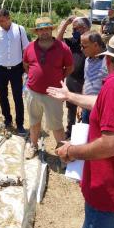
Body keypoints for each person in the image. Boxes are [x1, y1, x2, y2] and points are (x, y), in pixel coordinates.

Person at [47, 35, 114, 228]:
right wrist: (70, 96)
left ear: (108, 59)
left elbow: (110, 144)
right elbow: (102, 103)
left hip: (109, 190)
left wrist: (71, 151)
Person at [23, 17, 74, 159]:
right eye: (41, 29)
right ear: (37, 32)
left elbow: (69, 68)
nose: (44, 32)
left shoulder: (62, 47)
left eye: (47, 29)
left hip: (54, 94)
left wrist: (56, 79)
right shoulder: (30, 47)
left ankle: (63, 154)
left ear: (51, 30)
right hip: (33, 92)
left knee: (57, 126)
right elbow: (26, 66)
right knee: (34, 122)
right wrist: (36, 79)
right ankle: (33, 146)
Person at [0, 8, 29, 135]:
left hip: (16, 69)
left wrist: (28, 67)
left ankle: (20, 124)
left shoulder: (20, 29)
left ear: (9, 18)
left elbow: (26, 48)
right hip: (0, 70)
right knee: (2, 96)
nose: (1, 23)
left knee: (17, 97)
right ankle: (7, 120)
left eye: (3, 21)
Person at [57, 16, 91, 139]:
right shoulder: (73, 41)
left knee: (86, 109)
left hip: (86, 82)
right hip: (72, 79)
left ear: (85, 28)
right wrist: (65, 24)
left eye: (76, 29)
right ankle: (70, 131)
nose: (73, 31)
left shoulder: (93, 41)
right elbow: (58, 40)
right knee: (71, 108)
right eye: (73, 29)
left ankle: (85, 134)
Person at [80, 31, 107, 123]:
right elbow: (86, 81)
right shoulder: (87, 60)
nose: (81, 49)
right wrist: (81, 103)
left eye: (84, 46)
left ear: (95, 45)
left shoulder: (108, 61)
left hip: (102, 108)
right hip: (86, 106)